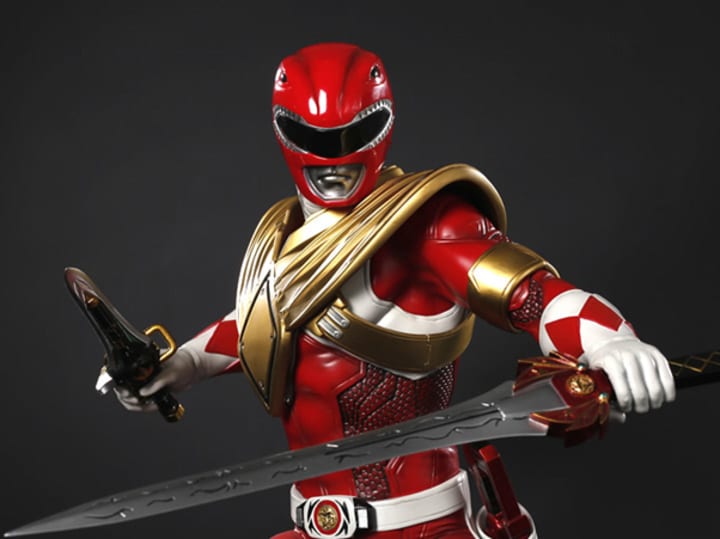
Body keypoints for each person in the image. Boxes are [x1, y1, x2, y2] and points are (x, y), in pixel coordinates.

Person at [112, 42, 675, 539]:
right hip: (313, 526)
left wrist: (610, 341)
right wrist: (184, 364)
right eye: (312, 138)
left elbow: (536, 297)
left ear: (383, 124)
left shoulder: (430, 227)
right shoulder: (284, 237)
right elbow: (268, 322)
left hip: (423, 528)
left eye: (352, 136)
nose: (333, 162)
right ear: (282, 129)